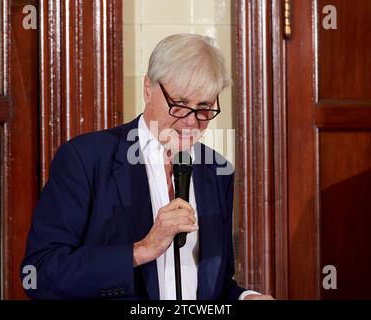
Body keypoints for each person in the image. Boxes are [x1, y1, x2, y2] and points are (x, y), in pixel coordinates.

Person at [21, 34, 273, 300]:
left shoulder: (217, 171)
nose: (191, 122)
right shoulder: (86, 159)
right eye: (179, 104)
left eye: (204, 107)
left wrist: (245, 298)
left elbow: (215, 285)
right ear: (148, 89)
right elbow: (40, 274)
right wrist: (143, 249)